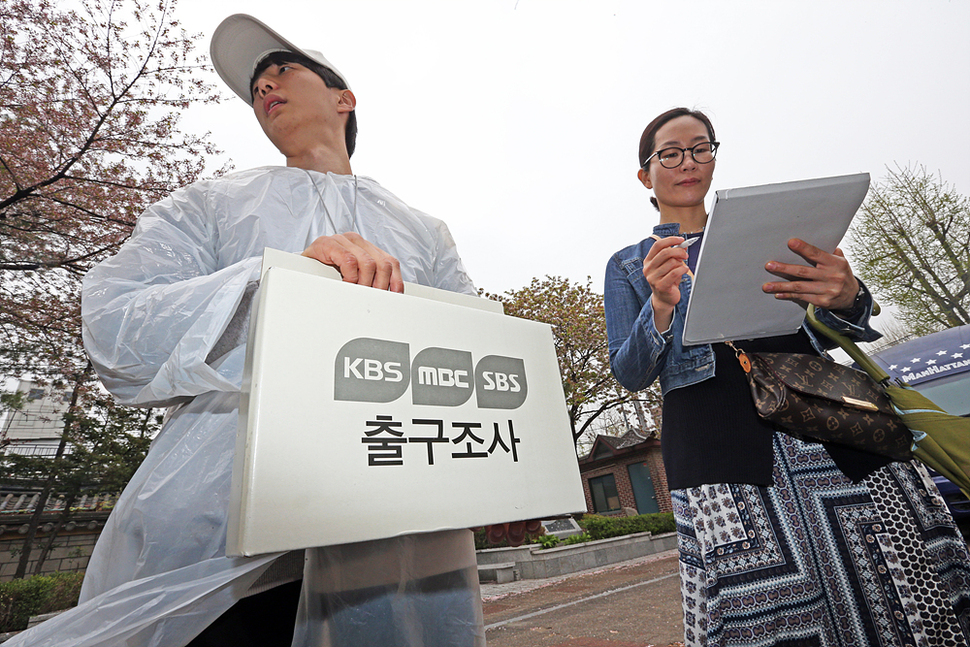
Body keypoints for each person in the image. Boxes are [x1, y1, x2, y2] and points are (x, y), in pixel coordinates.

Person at [7, 14, 485, 647]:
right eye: (255, 84)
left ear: (343, 99)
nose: (264, 85)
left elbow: (472, 351)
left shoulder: (425, 231)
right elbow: (117, 324)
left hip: (397, 527)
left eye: (282, 68)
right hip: (218, 526)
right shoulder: (207, 205)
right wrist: (272, 283)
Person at [604, 107, 970, 646]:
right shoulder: (631, 264)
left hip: (827, 424)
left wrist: (847, 295)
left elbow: (827, 329)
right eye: (671, 153)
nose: (689, 162)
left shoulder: (771, 234)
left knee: (901, 579)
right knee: (763, 604)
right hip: (717, 441)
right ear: (645, 174)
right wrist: (659, 304)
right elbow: (630, 370)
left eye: (702, 148)